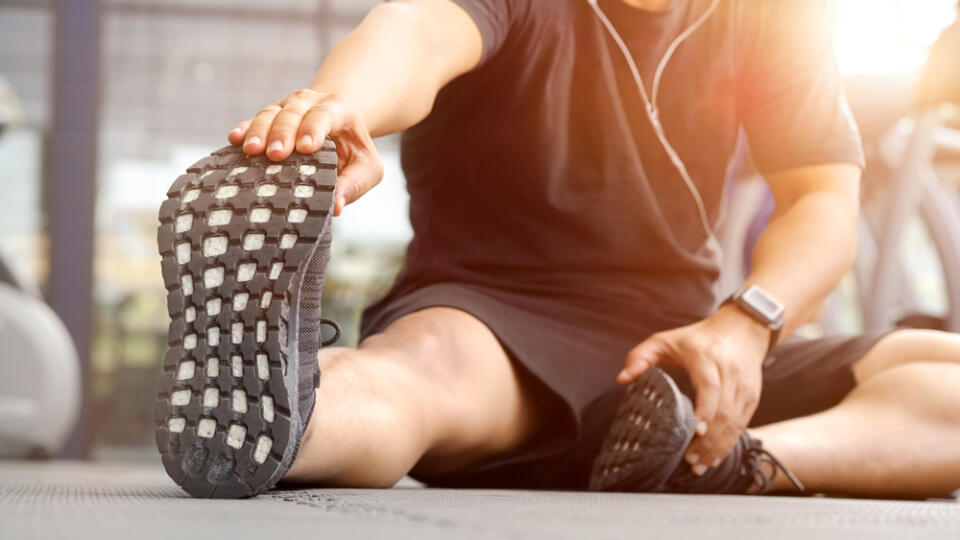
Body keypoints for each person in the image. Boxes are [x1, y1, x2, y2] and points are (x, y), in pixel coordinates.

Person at [167, 0, 960, 498]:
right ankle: (272, 412)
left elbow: (822, 198)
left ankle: (728, 459)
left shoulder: (774, 16)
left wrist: (746, 324)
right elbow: (415, 28)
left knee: (944, 376)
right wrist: (345, 107)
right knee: (410, 378)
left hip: (681, 356)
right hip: (496, 326)